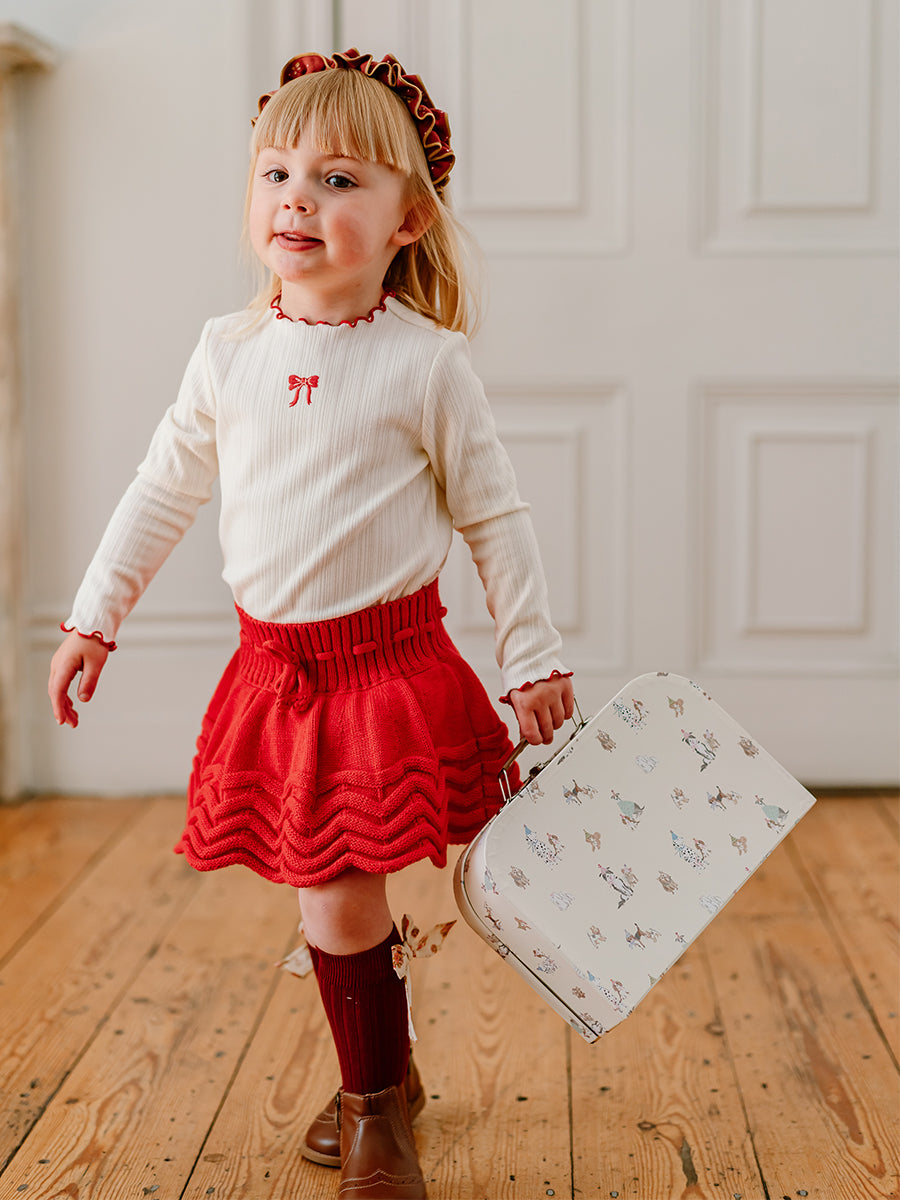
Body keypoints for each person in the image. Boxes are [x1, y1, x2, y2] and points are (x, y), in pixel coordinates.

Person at [47, 49, 573, 1200]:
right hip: (279, 676)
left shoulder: (425, 366)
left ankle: (376, 1109)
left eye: (338, 180)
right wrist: (95, 616)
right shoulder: (227, 353)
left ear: (407, 220)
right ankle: (387, 1077)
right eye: (276, 172)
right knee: (330, 894)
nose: (297, 199)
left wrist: (532, 655)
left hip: (389, 672)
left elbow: (495, 518)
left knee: (338, 895)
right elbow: (162, 488)